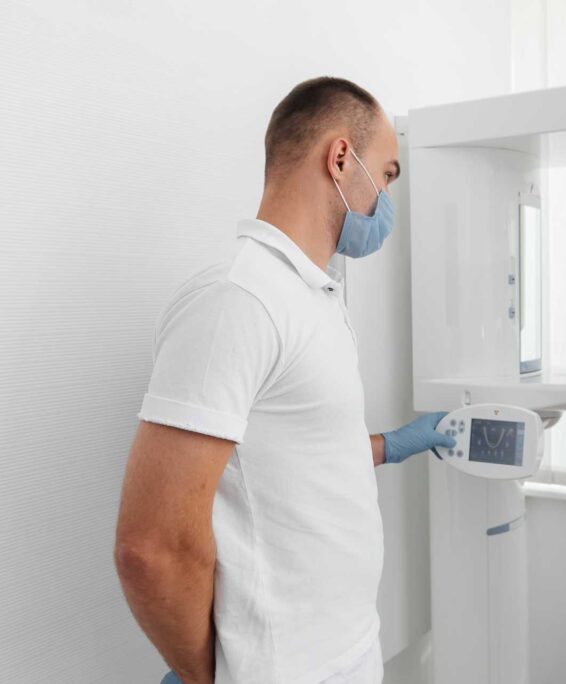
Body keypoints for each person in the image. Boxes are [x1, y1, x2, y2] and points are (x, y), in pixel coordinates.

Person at [113, 77, 455, 684]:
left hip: (346, 649)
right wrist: (208, 675)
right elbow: (151, 548)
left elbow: (299, 457)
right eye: (390, 173)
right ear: (341, 157)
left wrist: (396, 444)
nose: (389, 200)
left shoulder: (315, 297)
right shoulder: (236, 300)